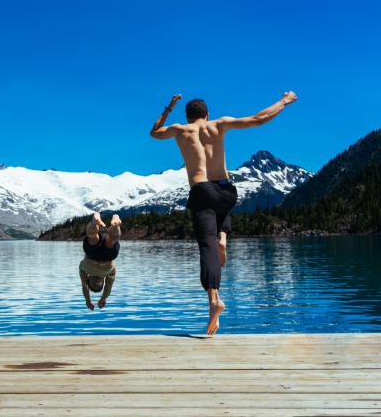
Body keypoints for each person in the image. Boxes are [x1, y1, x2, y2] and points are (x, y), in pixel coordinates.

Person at [150, 91, 298, 335]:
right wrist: (284, 101)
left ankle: (214, 300)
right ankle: (223, 236)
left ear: (188, 117)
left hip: (202, 191)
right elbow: (258, 119)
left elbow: (155, 132)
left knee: (206, 245)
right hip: (227, 191)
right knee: (222, 205)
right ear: (207, 115)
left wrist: (168, 108)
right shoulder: (219, 124)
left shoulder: (180, 129)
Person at [79, 212, 122, 310]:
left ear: (103, 281)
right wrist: (88, 300)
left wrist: (103, 298)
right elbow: (84, 286)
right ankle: (95, 222)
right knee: (92, 236)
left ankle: (115, 224)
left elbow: (108, 287)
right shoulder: (85, 271)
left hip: (109, 256)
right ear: (89, 278)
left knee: (112, 240)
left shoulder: (109, 273)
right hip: (91, 254)